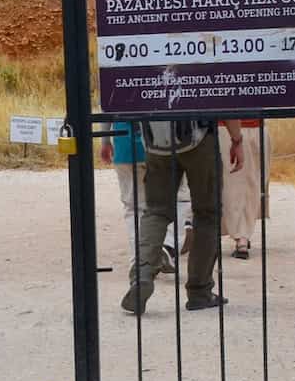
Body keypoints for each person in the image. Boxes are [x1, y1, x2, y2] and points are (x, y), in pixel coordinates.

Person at [121, 116, 242, 315]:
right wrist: (237, 140)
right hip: (200, 138)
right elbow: (226, 99)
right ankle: (199, 291)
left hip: (156, 141)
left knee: (156, 212)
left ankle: (141, 276)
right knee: (207, 214)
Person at [218, 119, 269, 258]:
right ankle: (242, 236)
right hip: (232, 128)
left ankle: (242, 234)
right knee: (243, 184)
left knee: (248, 183)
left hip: (250, 126)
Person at [99, 119, 147, 255]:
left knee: (133, 209)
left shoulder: (114, 96)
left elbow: (105, 112)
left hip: (124, 147)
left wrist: (105, 141)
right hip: (156, 147)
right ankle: (164, 249)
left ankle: (138, 259)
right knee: (160, 206)